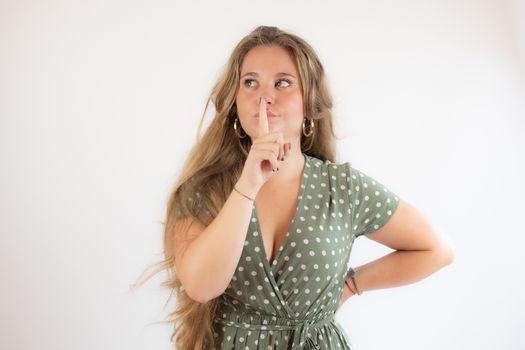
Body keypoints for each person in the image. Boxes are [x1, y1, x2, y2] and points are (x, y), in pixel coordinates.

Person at [135, 25, 455, 350]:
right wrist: (248, 184)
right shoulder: (202, 191)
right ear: (235, 103)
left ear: (309, 103)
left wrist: (353, 284)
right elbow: (201, 287)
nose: (265, 96)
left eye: (283, 82)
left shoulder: (342, 188)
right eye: (250, 82)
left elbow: (436, 250)